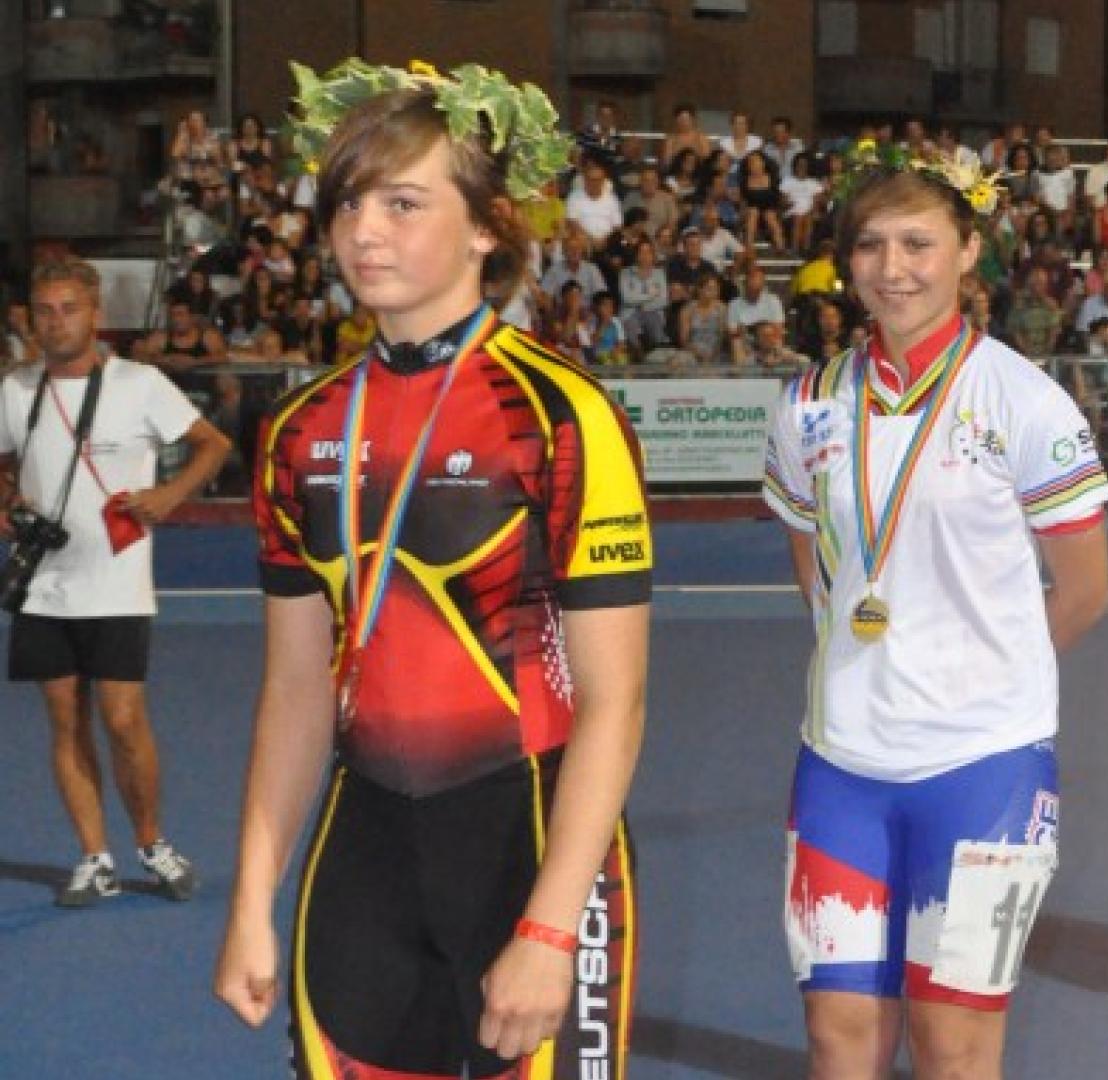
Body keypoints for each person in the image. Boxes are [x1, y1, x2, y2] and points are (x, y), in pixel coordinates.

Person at [213, 58, 653, 1080]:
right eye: (348, 203)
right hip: (363, 856)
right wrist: (249, 902)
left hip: (529, 844)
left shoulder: (561, 416)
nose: (363, 232)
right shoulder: (300, 429)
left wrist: (549, 929)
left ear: (488, 226)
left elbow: (616, 702)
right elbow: (294, 689)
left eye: (403, 204)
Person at [761, 141, 1108, 1079]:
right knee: (839, 1038)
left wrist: (983, 677)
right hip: (841, 766)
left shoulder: (1025, 402)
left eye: (917, 243)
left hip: (984, 768)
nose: (893, 268)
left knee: (953, 1049)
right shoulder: (807, 405)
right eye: (870, 244)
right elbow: (815, 569)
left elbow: (1086, 589)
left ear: (967, 250)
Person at [0, 258, 230, 907]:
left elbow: (213, 444)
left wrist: (170, 494)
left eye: (69, 309)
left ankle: (151, 842)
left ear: (95, 315)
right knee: (64, 720)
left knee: (124, 721)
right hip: (44, 586)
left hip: (118, 585)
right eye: (45, 311)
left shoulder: (139, 383)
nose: (56, 322)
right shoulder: (16, 390)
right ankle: (94, 857)